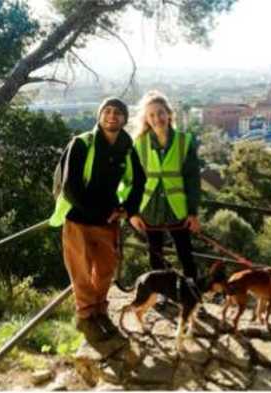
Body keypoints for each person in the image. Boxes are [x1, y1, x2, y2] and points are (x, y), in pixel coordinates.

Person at [49, 98, 146, 343]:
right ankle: (85, 317)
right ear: (100, 115)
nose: (112, 116)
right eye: (107, 111)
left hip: (107, 220)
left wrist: (127, 209)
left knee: (105, 268)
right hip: (78, 218)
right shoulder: (82, 143)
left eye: (118, 113)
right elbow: (70, 188)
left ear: (125, 119)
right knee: (80, 269)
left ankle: (100, 310)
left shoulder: (126, 146)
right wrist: (103, 212)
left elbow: (139, 181)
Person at [131, 91, 203, 283]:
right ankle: (161, 295)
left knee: (185, 254)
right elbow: (130, 180)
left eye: (160, 113)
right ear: (146, 119)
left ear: (169, 114)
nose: (157, 118)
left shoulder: (184, 141)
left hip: (177, 208)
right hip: (149, 208)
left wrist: (193, 213)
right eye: (151, 115)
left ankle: (194, 297)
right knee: (155, 256)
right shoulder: (139, 144)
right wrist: (132, 213)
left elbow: (193, 180)